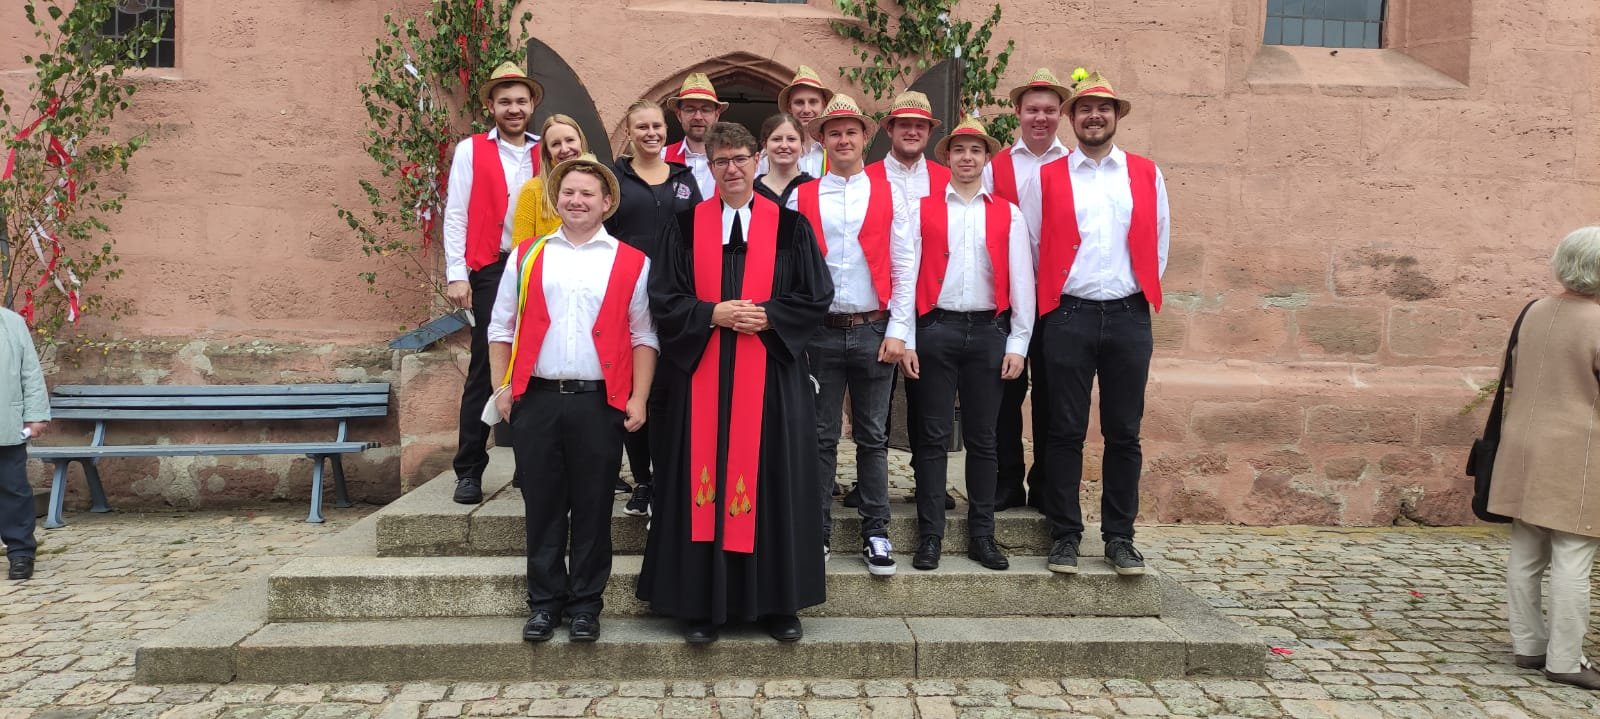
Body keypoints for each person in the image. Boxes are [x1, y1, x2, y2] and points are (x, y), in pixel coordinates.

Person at [638, 122, 833, 644]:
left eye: (740, 158)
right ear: (710, 167)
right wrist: (710, 313)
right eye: (721, 161)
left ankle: (778, 603)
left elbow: (816, 295)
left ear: (757, 161)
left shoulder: (791, 227)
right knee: (699, 481)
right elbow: (664, 296)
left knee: (773, 477)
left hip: (770, 379)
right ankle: (698, 605)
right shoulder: (683, 227)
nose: (732, 169)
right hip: (702, 375)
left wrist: (769, 317)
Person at [488, 154, 658, 644]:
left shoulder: (631, 261)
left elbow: (644, 336)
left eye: (587, 193)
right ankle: (544, 604)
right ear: (556, 199)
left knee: (592, 506)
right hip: (537, 399)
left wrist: (639, 398)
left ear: (606, 202)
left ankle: (586, 605)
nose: (576, 200)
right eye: (568, 192)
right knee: (542, 506)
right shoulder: (527, 255)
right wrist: (502, 388)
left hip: (598, 401)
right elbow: (501, 327)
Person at [1020, 71, 1168, 578]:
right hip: (1069, 314)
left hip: (1128, 314)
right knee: (1063, 430)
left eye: (1103, 108)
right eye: (1084, 109)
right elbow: (1034, 245)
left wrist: (1133, 291)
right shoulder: (1047, 177)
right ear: (1072, 118)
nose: (1094, 116)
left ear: (1117, 115)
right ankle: (1065, 533)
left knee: (1124, 431)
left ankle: (1120, 537)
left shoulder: (1145, 173)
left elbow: (1159, 240)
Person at [898, 118, 1034, 572]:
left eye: (976, 150)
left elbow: (1022, 280)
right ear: (947, 157)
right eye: (959, 150)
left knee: (984, 439)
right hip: (936, 327)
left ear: (986, 158)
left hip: (988, 330)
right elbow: (907, 276)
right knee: (932, 437)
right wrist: (907, 337)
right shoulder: (921, 209)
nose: (967, 157)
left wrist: (1018, 342)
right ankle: (930, 536)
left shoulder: (1008, 214)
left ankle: (982, 535)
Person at [789, 95, 915, 576]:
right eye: (834, 132)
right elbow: (789, 269)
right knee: (820, 437)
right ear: (822, 140)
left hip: (873, 328)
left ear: (865, 138)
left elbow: (905, 263)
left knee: (872, 437)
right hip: (820, 332)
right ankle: (816, 532)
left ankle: (876, 531)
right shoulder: (802, 196)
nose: (843, 140)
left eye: (851, 132)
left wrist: (899, 330)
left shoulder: (889, 193)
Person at [1488, 225, 1600, 691]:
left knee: (1527, 549)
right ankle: (1566, 660)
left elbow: (1513, 375)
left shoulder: (1532, 311)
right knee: (1574, 552)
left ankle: (1530, 645)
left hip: (1523, 444)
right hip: (1580, 450)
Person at [846, 90, 952, 512]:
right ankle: (868, 484)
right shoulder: (868, 177)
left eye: (919, 125)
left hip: (932, 297)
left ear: (928, 132)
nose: (912, 131)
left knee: (929, 396)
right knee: (875, 399)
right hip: (880, 298)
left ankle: (930, 483)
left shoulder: (945, 179)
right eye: (904, 124)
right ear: (889, 129)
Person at [442, 62, 544, 505]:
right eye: (505, 102)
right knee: (487, 365)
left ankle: (529, 466)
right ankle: (469, 469)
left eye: (521, 101)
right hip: (491, 266)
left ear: (532, 104)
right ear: (491, 106)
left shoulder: (545, 149)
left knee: (538, 362)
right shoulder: (471, 150)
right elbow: (456, 213)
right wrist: (456, 273)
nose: (513, 108)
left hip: (539, 264)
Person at [606, 99, 703, 516]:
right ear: (629, 132)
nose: (651, 133)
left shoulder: (684, 178)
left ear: (666, 130)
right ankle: (643, 480)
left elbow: (701, 235)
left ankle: (670, 476)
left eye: (657, 126)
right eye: (642, 127)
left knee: (671, 390)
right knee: (634, 391)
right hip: (627, 296)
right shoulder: (615, 178)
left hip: (677, 298)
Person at [991, 68, 1074, 512]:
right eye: (1032, 110)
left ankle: (1044, 483)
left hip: (1060, 297)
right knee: (1005, 393)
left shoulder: (1076, 164)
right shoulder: (997, 166)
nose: (1040, 118)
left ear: (1060, 114)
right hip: (1008, 298)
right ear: (1018, 113)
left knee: (1051, 393)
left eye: (1049, 110)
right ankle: (1007, 481)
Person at [0, 307, 48, 581]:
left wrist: (36, 415)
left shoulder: (12, 323)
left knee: (13, 489)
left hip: (5, 423)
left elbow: (30, 371)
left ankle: (20, 553)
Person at [511, 114, 590, 246]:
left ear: (581, 142)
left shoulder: (598, 186)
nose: (564, 149)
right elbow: (520, 251)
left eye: (570, 140)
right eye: (555, 144)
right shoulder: (533, 191)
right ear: (547, 152)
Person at [662, 72, 726, 200]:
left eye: (705, 110)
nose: (698, 117)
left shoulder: (733, 160)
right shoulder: (661, 157)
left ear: (716, 115)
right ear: (679, 115)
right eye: (690, 109)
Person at [766, 65, 832, 177]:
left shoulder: (837, 149)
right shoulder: (772, 153)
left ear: (824, 106)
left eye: (813, 102)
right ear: (789, 108)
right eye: (799, 102)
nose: (806, 110)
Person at [754, 113, 814, 208]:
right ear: (765, 144)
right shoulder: (751, 191)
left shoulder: (815, 189)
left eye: (791, 139)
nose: (784, 146)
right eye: (777, 139)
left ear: (801, 144)